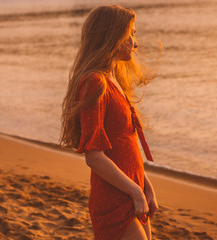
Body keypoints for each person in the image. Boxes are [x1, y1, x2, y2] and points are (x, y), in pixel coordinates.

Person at [60, 5, 158, 240]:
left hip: (131, 190)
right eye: (131, 34)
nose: (135, 43)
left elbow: (126, 144)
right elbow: (94, 156)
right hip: (114, 197)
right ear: (112, 36)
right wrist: (135, 192)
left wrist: (146, 186)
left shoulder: (114, 80)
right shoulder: (94, 82)